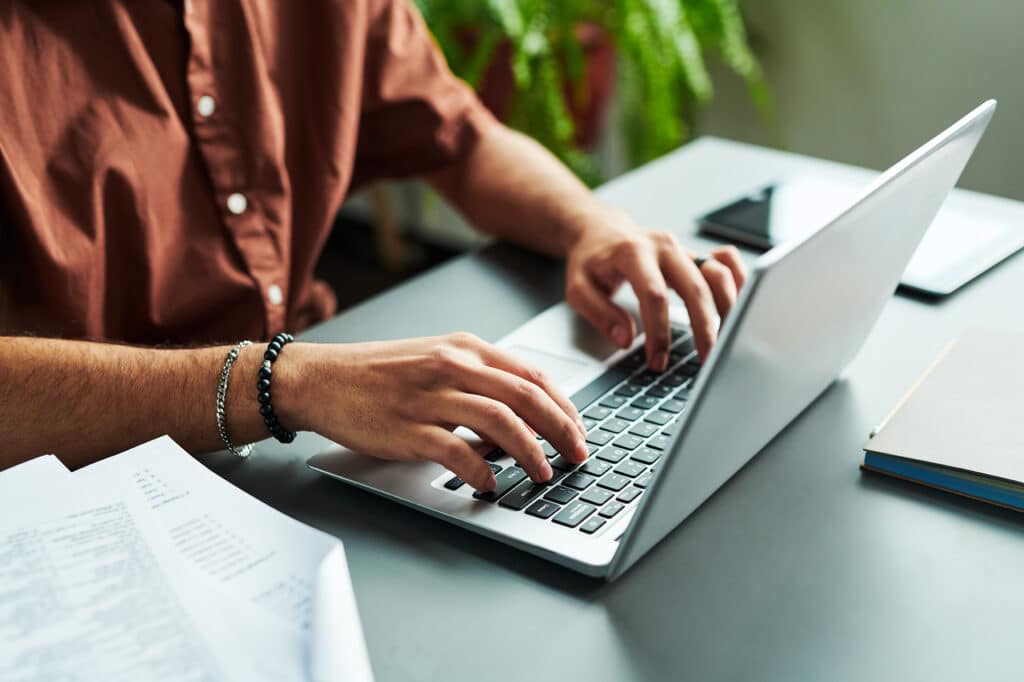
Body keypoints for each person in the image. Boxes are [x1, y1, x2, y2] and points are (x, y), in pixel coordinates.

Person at [0, 1, 745, 489]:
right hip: (73, 483)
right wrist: (281, 382)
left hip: (286, 448)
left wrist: (590, 224)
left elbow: (458, 137)